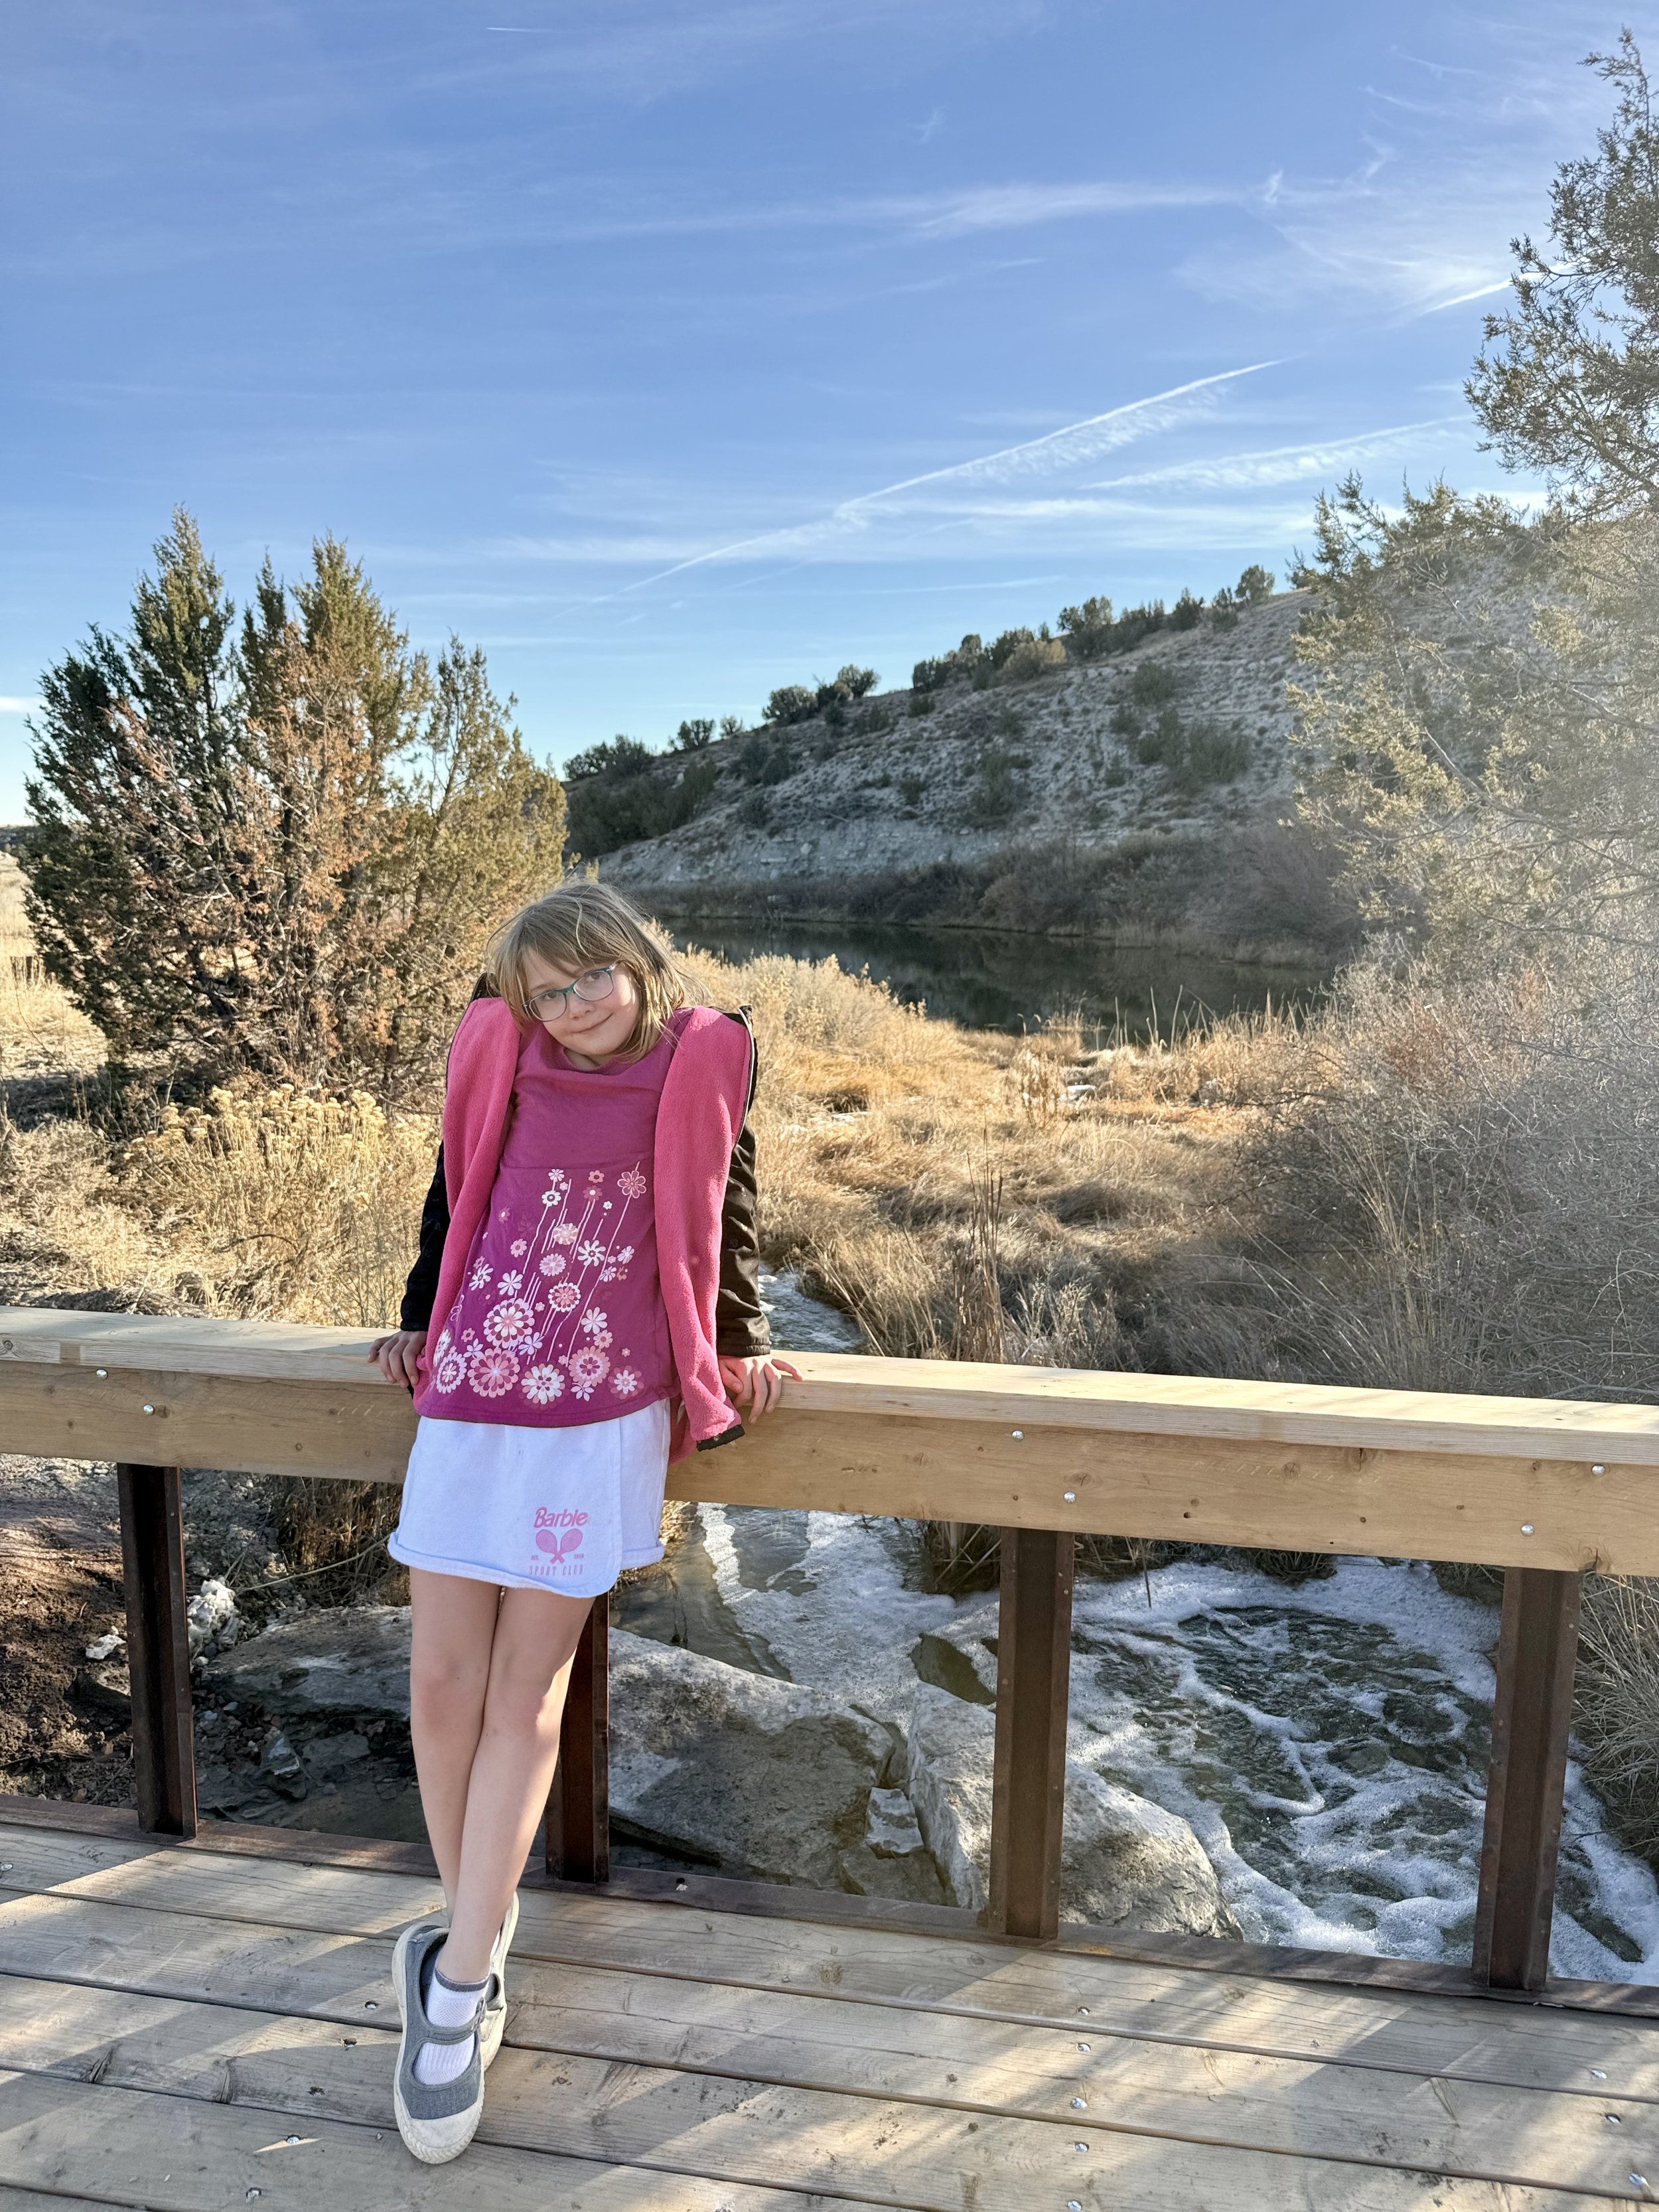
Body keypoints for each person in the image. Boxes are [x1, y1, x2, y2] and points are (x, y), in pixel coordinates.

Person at [367, 880, 798, 2164]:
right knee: (441, 1684)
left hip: (603, 1413)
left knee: (525, 1697)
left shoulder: (708, 1053)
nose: (576, 1003)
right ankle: (473, 1941)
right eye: (549, 987)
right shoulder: (500, 1047)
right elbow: (455, 1196)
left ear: (639, 959)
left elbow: (728, 1207)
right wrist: (412, 1317)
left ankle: (450, 1998)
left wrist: (745, 1345)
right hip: (473, 1395)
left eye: (594, 974)